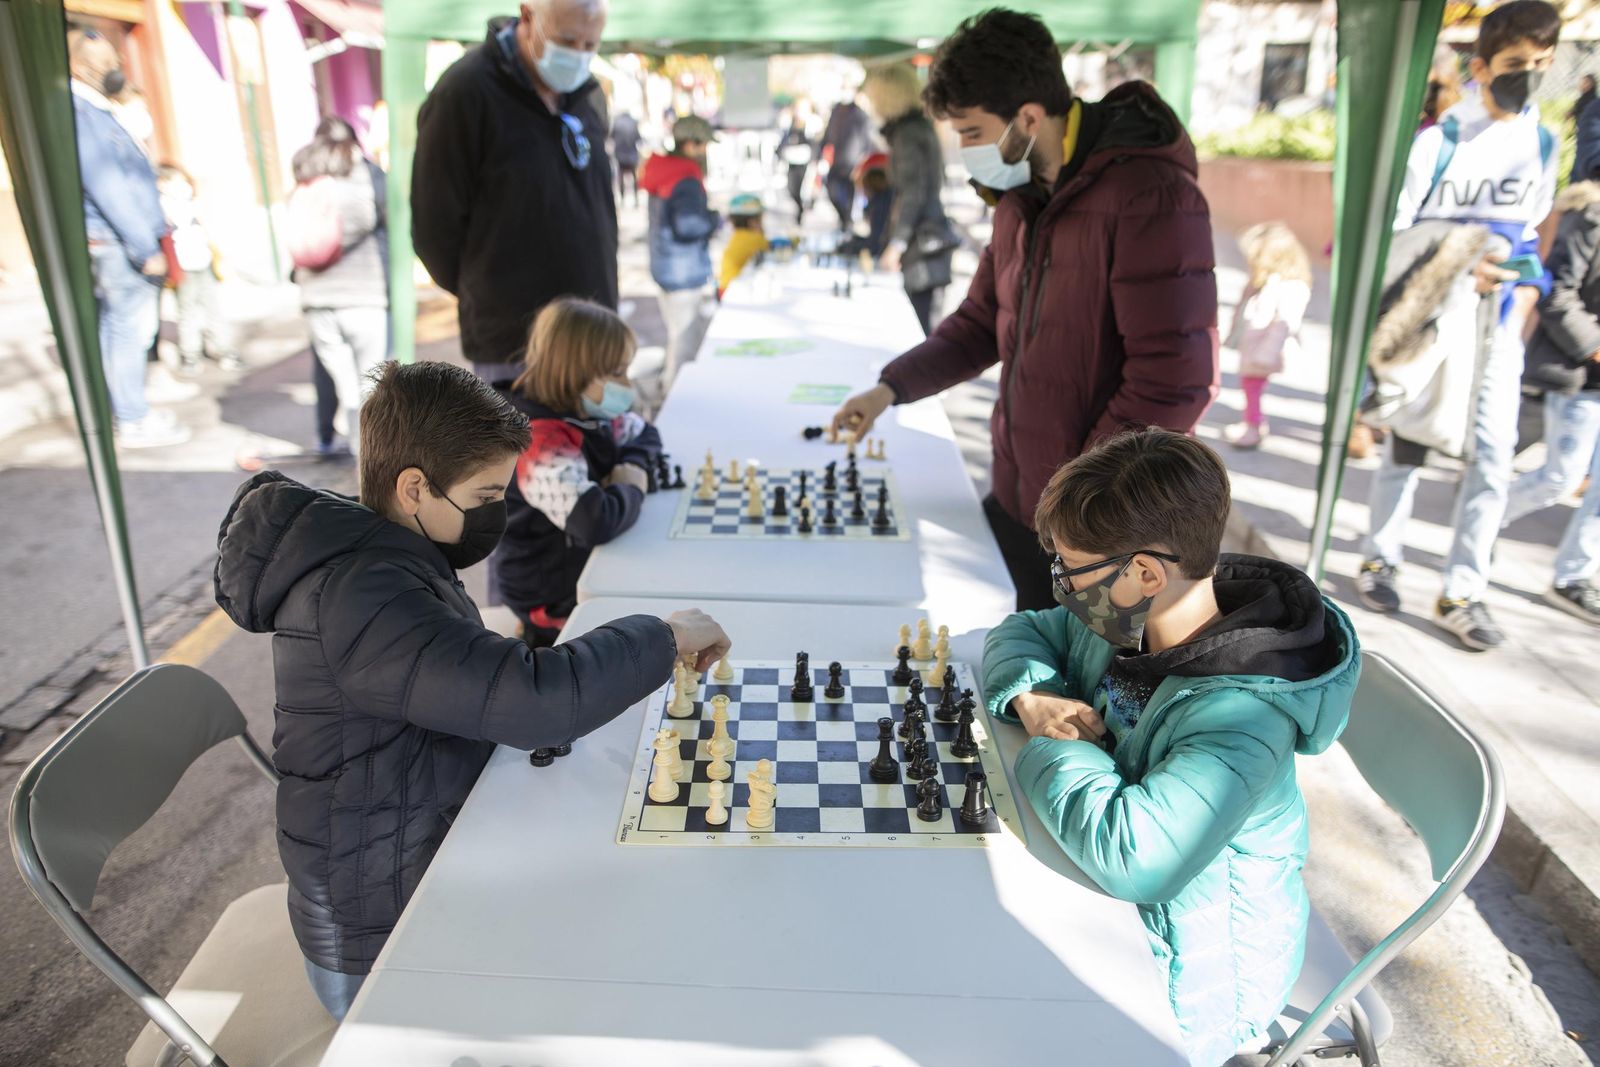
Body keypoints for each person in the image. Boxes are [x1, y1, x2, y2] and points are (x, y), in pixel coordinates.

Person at [213, 360, 731, 1020]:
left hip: (417, 854)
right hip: (381, 944)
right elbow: (535, 701)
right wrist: (662, 636)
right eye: (486, 495)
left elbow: (478, 680)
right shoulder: (361, 596)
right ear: (413, 488)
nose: (497, 513)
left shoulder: (383, 552)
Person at [983, 429, 1357, 1067]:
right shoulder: (1128, 621)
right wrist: (1034, 696)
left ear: (1145, 573)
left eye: (1071, 569)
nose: (1060, 586)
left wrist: (1047, 747)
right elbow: (1024, 630)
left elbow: (1138, 860)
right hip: (1112, 909)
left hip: (1195, 977)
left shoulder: (1246, 716)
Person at [831, 8, 1218, 612]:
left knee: (1070, 675)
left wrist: (1083, 503)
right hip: (1025, 502)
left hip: (1098, 533)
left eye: (972, 133)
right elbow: (979, 324)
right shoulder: (1019, 196)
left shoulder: (1151, 195)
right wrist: (890, 388)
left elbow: (1173, 382)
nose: (964, 151)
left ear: (1029, 118)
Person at [1355, 0, 1561, 651]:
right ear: (1481, 66)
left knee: (1494, 456)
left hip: (1498, 328)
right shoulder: (1439, 143)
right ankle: (1380, 557)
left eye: (1542, 63)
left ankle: (1464, 590)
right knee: (1407, 442)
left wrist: (1517, 297)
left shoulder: (1543, 143)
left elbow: (1529, 238)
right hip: (1434, 322)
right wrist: (1457, 264)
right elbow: (1397, 240)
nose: (1529, 75)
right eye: (1515, 62)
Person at [412, 0, 615, 385]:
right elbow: (434, 228)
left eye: (590, 45)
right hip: (515, 346)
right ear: (527, 17)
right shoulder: (465, 92)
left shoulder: (587, 93)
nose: (578, 54)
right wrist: (489, 290)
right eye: (566, 40)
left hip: (594, 333)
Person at [493, 299, 660, 647]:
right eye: (617, 373)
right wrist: (631, 489)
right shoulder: (538, 441)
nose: (627, 385)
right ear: (575, 372)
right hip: (550, 594)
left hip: (583, 566)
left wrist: (629, 468)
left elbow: (645, 434)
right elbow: (593, 521)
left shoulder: (590, 411)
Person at [68, 29, 188, 448]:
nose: (113, 69)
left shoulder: (97, 110)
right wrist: (144, 247)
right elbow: (109, 188)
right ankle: (132, 417)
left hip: (121, 241)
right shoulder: (83, 114)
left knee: (122, 330)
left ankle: (129, 411)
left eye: (113, 59)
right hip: (119, 244)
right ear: (78, 66)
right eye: (102, 63)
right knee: (126, 331)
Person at [1503, 179, 1600, 624]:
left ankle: (1573, 578)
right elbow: (1558, 291)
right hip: (1582, 374)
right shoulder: (1589, 215)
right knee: (1561, 477)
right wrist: (1594, 345)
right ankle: (1483, 519)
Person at [289, 117, 389, 453]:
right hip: (365, 296)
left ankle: (350, 448)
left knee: (348, 389)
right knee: (373, 386)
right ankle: (372, 462)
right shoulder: (367, 176)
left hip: (317, 300)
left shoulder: (306, 177)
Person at [863, 62, 957, 337]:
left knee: (923, 330)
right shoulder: (915, 128)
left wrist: (896, 244)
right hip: (928, 240)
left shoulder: (907, 133)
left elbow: (913, 194)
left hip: (924, 246)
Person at [640, 114, 721, 395]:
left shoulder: (663, 169)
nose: (705, 150)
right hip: (683, 270)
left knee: (676, 337)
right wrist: (713, 219)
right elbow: (689, 225)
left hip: (665, 265)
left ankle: (668, 386)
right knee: (685, 344)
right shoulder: (685, 177)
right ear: (690, 144)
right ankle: (675, 397)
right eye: (703, 144)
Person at [1224, 222, 1312, 449]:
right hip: (1254, 348)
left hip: (1263, 352)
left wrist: (1264, 355)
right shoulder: (1264, 282)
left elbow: (1284, 325)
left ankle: (1253, 427)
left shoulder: (1291, 287)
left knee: (1252, 387)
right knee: (1249, 386)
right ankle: (1252, 423)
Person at [155, 164, 239, 376]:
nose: (183, 186)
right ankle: (190, 354)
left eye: (184, 181)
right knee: (187, 312)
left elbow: (208, 231)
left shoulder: (193, 205)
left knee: (213, 308)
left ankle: (223, 349)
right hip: (182, 268)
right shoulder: (163, 207)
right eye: (176, 182)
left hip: (203, 262)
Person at [820, 89, 875, 230]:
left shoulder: (860, 115)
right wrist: (820, 154)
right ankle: (845, 219)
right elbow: (828, 134)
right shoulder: (836, 112)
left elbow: (867, 142)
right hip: (837, 162)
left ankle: (847, 223)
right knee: (832, 191)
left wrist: (862, 162)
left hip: (852, 163)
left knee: (850, 197)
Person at [718, 193, 770, 298]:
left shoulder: (738, 236)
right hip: (732, 290)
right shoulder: (752, 238)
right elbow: (770, 247)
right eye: (759, 219)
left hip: (724, 286)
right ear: (752, 222)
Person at [777, 100, 818, 224]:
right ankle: (800, 207)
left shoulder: (810, 126)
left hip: (804, 162)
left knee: (803, 189)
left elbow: (814, 145)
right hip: (792, 161)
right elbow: (783, 142)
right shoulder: (790, 126)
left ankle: (802, 210)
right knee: (791, 188)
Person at [611, 109, 643, 206]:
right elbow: (638, 138)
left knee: (621, 176)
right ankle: (636, 199)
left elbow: (611, 137)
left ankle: (622, 199)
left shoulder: (617, 122)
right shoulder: (633, 122)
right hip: (632, 154)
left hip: (620, 154)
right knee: (634, 177)